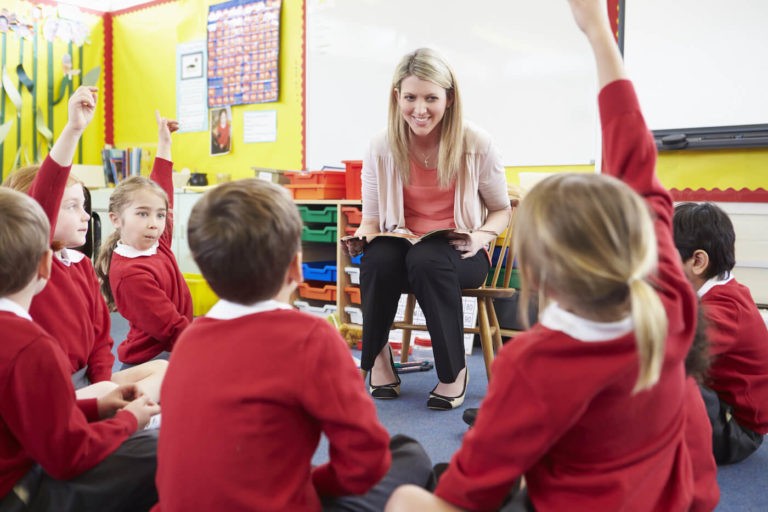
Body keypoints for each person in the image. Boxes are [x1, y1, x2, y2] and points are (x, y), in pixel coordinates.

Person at [385, 0, 713, 510]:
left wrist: (596, 31)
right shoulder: (670, 301)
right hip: (659, 496)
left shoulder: (533, 366)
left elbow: (464, 496)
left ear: (538, 274)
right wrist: (600, 34)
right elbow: (634, 154)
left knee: (406, 489)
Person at [152, 179, 433, 511]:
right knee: (408, 453)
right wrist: (314, 483)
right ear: (296, 267)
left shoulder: (189, 341)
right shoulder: (312, 338)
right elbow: (365, 463)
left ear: (204, 268)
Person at [346, 47, 511, 410]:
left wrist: (479, 237)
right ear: (397, 97)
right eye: (410, 97)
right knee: (377, 257)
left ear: (449, 99)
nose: (420, 109)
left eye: (431, 98)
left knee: (428, 259)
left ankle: (453, 373)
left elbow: (501, 211)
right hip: (404, 245)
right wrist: (363, 236)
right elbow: (373, 219)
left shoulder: (476, 144)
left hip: (461, 251)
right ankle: (378, 360)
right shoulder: (380, 146)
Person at [0, 186, 160, 512]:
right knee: (162, 450)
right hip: (18, 491)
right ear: (46, 265)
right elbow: (67, 456)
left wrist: (97, 407)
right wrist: (128, 419)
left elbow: (30, 417)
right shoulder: (31, 346)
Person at [3, 87, 167, 403]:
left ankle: (117, 413)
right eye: (72, 207)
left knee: (162, 369)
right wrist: (74, 129)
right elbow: (45, 196)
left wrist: (105, 391)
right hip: (51, 391)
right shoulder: (33, 262)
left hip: (87, 383)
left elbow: (100, 339)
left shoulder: (79, 265)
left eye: (84, 206)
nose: (85, 217)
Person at [95, 111, 193, 368]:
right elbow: (170, 327)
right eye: (142, 213)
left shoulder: (155, 242)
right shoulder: (131, 274)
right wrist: (210, 341)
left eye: (160, 215)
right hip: (152, 359)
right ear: (116, 219)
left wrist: (164, 143)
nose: (154, 222)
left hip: (174, 345)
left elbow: (162, 188)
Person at [673, 201, 768, 464]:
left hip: (736, 431)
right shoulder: (721, 290)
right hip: (721, 404)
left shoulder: (723, 311)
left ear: (698, 261)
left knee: (660, 373)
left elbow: (667, 351)